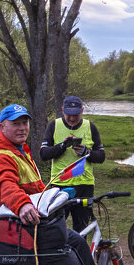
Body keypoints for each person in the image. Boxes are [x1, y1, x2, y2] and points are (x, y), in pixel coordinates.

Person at [0, 103, 131, 265]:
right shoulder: (1, 155)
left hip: (11, 229)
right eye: (15, 124)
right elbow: (6, 184)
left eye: (25, 123)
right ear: (2, 126)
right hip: (24, 224)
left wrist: (55, 196)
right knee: (77, 243)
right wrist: (21, 205)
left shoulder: (16, 148)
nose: (22, 128)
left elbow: (32, 186)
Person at [38, 95, 106, 231]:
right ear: (63, 110)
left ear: (82, 110)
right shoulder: (54, 125)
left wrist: (87, 152)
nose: (72, 118)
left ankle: (78, 252)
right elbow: (43, 154)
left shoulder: (90, 126)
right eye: (69, 114)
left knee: (81, 228)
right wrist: (62, 146)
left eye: (76, 114)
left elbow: (101, 156)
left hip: (84, 185)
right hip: (60, 184)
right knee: (55, 228)